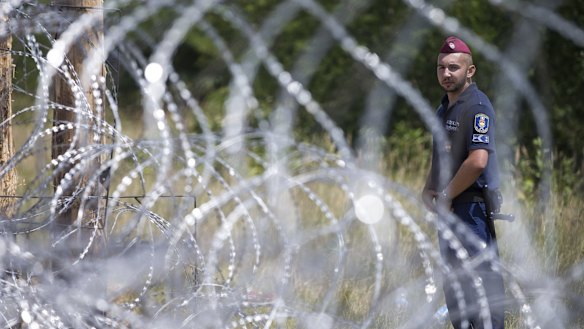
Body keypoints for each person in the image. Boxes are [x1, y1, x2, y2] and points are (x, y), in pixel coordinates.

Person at [422, 36, 506, 329]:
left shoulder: (476, 106)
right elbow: (444, 154)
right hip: (450, 211)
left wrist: (445, 195)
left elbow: (477, 161)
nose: (446, 74)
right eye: (441, 67)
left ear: (470, 71)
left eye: (454, 68)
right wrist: (430, 186)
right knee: (457, 296)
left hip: (471, 211)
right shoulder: (444, 107)